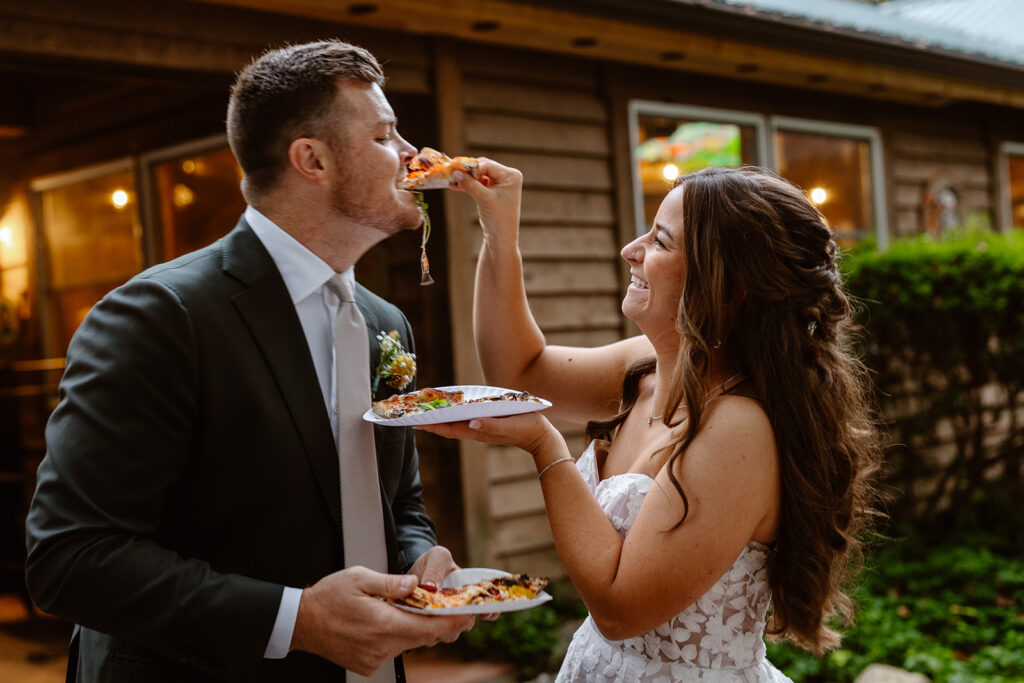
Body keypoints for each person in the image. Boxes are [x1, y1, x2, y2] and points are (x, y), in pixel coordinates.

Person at [25, 40, 475, 682]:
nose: (414, 156)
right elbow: (70, 558)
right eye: (384, 135)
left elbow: (397, 501)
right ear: (312, 159)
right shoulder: (159, 315)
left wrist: (421, 560)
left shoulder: (385, 323)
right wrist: (298, 620)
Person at [424, 163, 882, 681]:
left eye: (660, 241)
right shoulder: (646, 365)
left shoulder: (739, 428)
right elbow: (518, 370)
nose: (630, 250)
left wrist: (543, 445)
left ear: (727, 288)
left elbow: (621, 610)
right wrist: (499, 229)